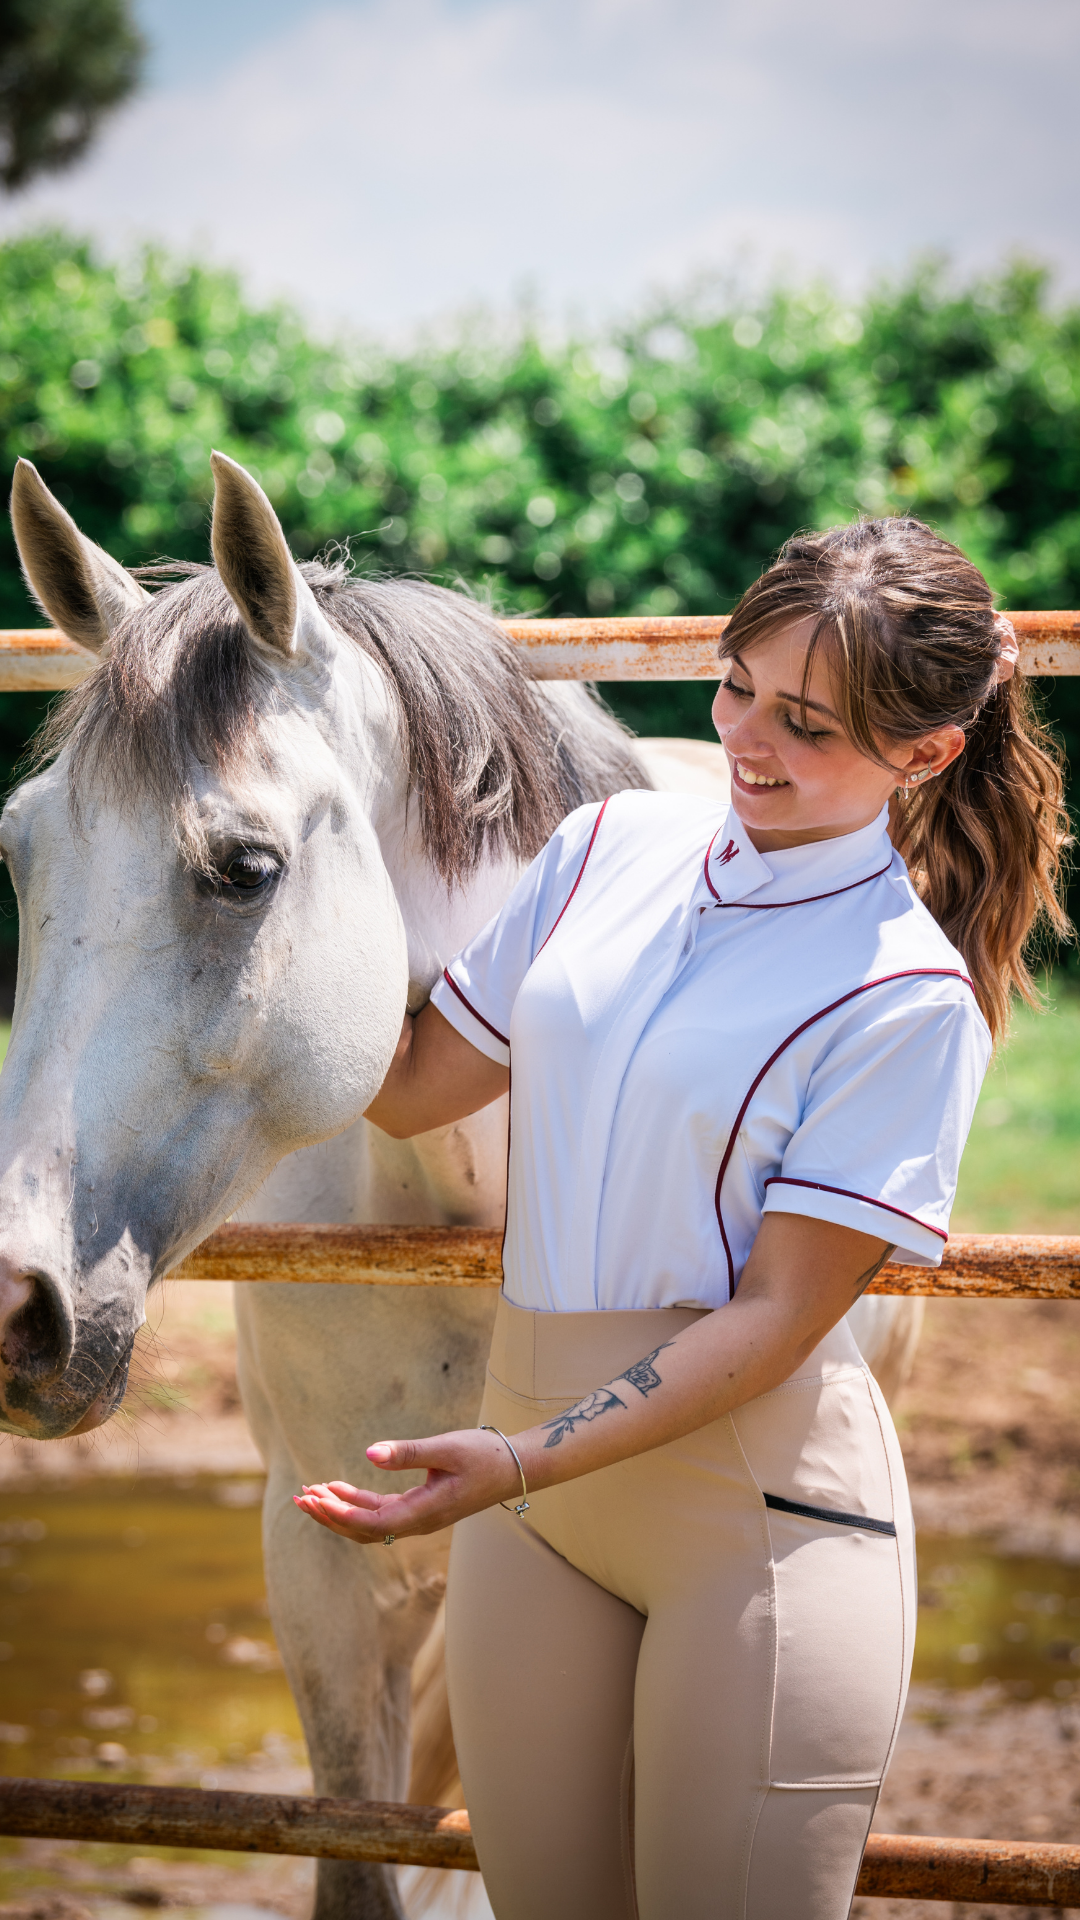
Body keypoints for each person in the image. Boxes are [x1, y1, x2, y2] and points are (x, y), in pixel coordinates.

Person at [295, 518, 1069, 1920]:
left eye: (812, 725)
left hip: (752, 1528)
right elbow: (408, 1092)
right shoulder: (602, 848)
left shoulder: (903, 995)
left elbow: (775, 1321)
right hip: (529, 1518)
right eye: (736, 689)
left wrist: (522, 1458)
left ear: (928, 752)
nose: (752, 743)